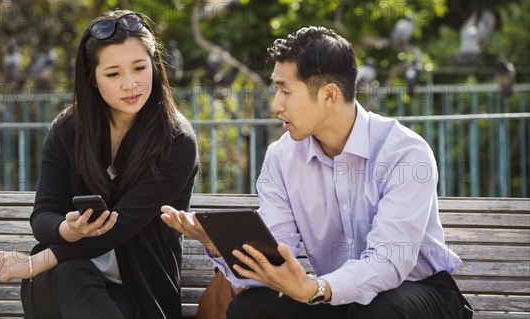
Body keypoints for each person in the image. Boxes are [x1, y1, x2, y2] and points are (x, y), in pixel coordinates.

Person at [161, 26, 472, 319]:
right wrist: (220, 245)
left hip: (419, 292)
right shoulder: (282, 157)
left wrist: (316, 288)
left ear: (329, 95)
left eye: (285, 91)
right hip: (332, 293)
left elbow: (389, 262)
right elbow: (276, 256)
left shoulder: (404, 152)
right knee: (252, 308)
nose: (276, 105)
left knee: (379, 310)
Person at [0, 9, 199, 319]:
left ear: (155, 67)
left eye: (140, 68)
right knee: (71, 273)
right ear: (93, 79)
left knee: (68, 273)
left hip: (138, 294)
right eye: (113, 74)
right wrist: (67, 229)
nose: (131, 84)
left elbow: (120, 226)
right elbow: (43, 215)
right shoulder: (67, 130)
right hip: (62, 284)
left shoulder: (176, 140)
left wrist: (36, 262)